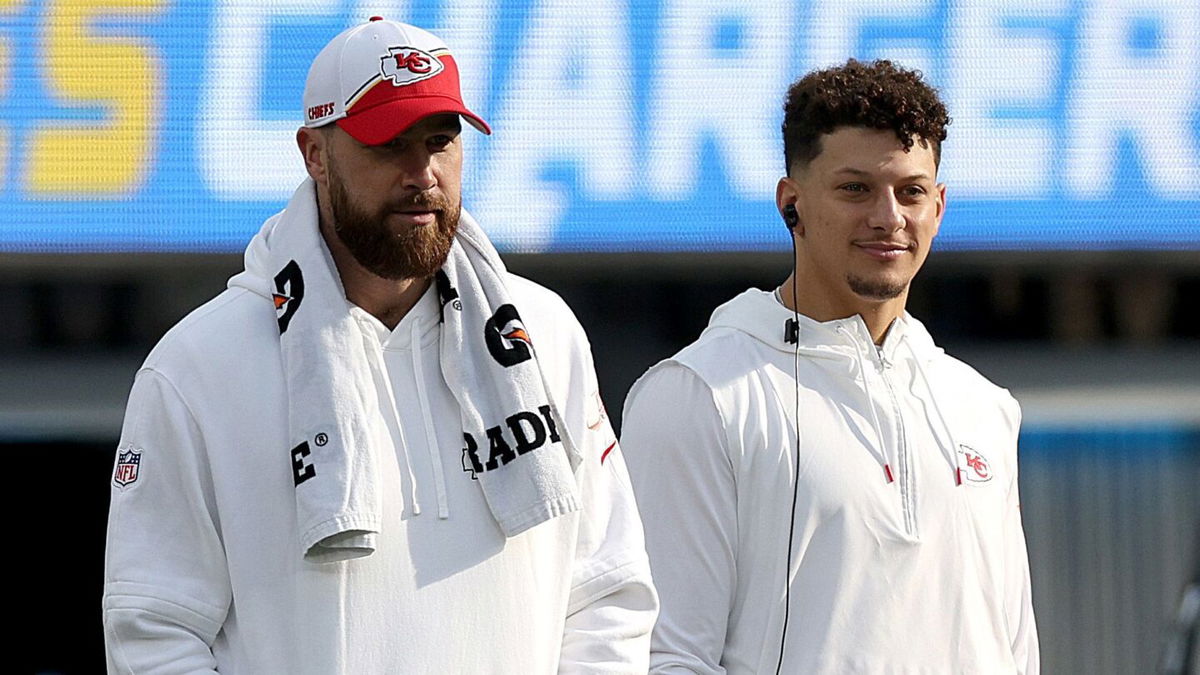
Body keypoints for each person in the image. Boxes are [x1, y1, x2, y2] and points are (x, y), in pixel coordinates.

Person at [103, 18, 656, 673]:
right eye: (388, 143)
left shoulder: (543, 335)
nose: (421, 172)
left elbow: (607, 597)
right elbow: (154, 632)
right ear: (315, 153)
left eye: (440, 141)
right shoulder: (195, 368)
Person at [620, 59, 1038, 674]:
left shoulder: (984, 406)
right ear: (791, 204)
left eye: (912, 191)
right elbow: (665, 656)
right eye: (855, 188)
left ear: (940, 207)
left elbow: (1016, 652)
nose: (889, 217)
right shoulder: (698, 394)